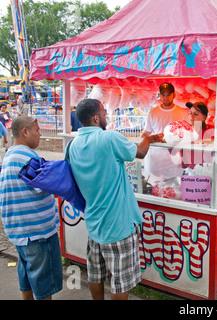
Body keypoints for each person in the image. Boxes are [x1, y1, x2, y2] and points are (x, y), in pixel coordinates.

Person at [67, 99, 163, 300]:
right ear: (95, 117)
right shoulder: (108, 137)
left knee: (96, 273)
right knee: (120, 281)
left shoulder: (73, 144)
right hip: (118, 224)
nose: (106, 116)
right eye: (103, 112)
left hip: (94, 221)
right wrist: (149, 138)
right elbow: (141, 152)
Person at [0, 116, 62, 300]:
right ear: (25, 132)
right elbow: (47, 185)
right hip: (37, 232)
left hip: (19, 231)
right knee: (44, 285)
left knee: (27, 275)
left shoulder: (10, 154)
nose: (40, 134)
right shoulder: (28, 157)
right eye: (37, 130)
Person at [141, 82, 188, 183]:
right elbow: (146, 132)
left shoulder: (182, 112)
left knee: (174, 189)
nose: (165, 97)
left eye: (168, 94)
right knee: (153, 187)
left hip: (173, 159)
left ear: (174, 95)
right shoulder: (153, 112)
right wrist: (139, 142)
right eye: (163, 94)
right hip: (154, 158)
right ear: (159, 95)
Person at [181, 101, 214, 169]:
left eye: (196, 114)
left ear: (204, 118)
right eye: (190, 113)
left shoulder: (210, 129)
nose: (191, 116)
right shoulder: (185, 130)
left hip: (207, 170)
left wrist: (200, 141)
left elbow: (216, 140)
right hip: (190, 171)